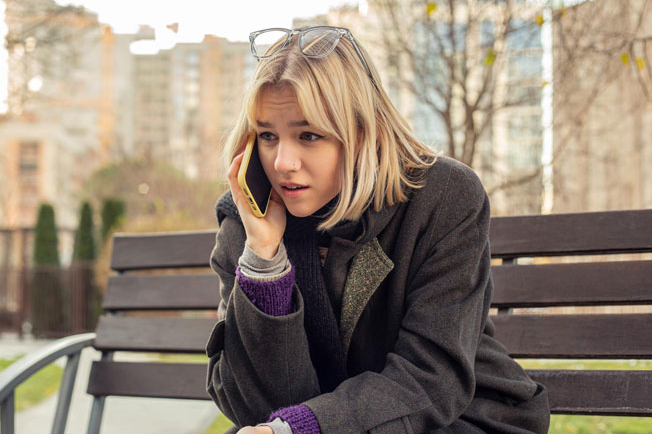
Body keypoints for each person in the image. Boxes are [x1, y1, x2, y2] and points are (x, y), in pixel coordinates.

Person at [206, 26, 549, 434]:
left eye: (308, 135)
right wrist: (265, 263)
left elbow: (433, 377)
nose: (282, 162)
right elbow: (254, 404)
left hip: (460, 419)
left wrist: (303, 428)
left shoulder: (443, 197)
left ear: (361, 131)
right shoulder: (247, 222)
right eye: (267, 135)